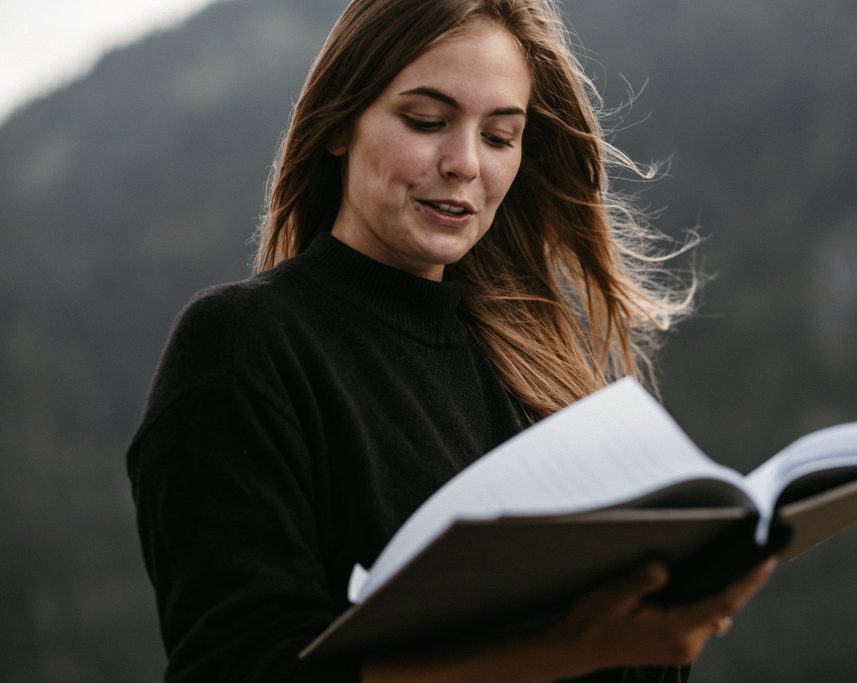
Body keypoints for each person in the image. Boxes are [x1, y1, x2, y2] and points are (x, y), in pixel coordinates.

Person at [127, 0, 776, 681]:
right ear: (340, 123)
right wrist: (569, 648)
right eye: (427, 121)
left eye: (500, 136)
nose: (465, 162)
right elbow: (242, 668)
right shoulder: (242, 346)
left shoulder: (537, 381)